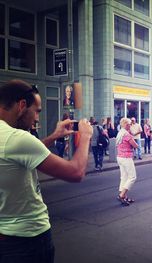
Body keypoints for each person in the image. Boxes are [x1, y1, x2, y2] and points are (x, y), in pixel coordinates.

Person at [0, 79, 92, 263]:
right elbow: (76, 172)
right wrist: (86, 136)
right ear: (22, 105)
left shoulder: (8, 139)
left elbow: (21, 156)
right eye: (37, 111)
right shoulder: (17, 138)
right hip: (28, 239)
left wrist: (53, 137)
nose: (37, 118)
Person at [115, 118, 139, 206]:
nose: (131, 125)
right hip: (126, 157)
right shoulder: (127, 134)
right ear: (126, 124)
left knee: (124, 177)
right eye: (129, 124)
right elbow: (135, 145)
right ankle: (121, 195)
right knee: (132, 177)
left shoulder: (120, 133)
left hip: (120, 157)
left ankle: (124, 196)